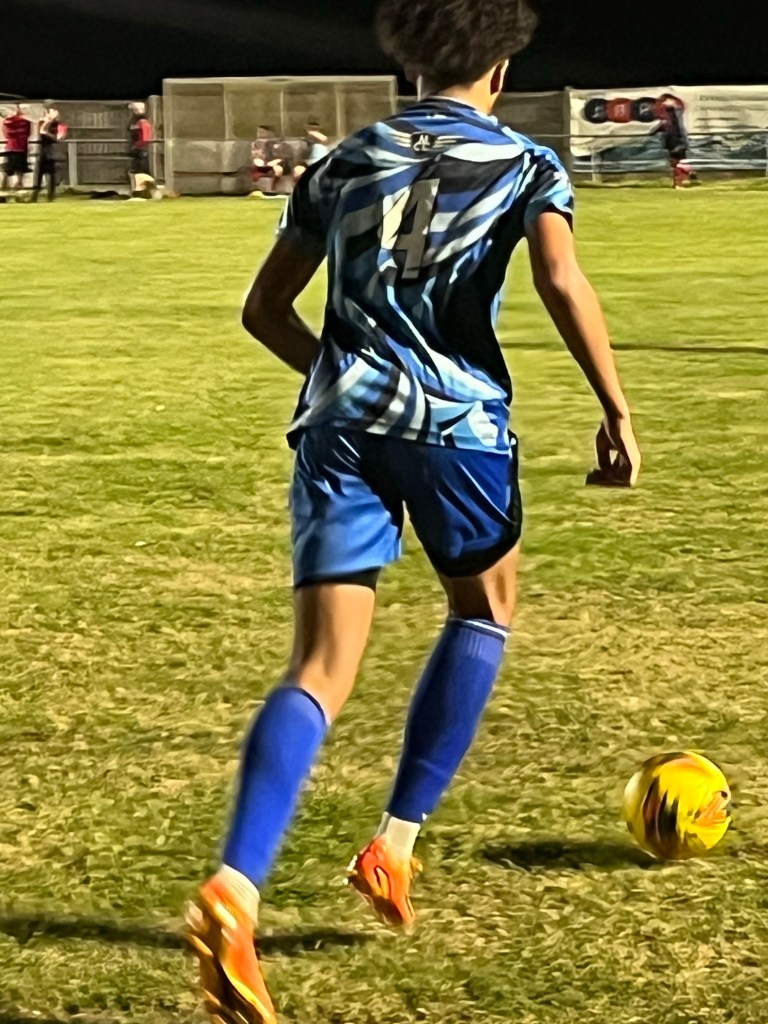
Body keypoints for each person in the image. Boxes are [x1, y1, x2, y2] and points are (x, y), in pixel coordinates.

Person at [186, 0, 641, 1021]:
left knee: (318, 667)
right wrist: (615, 411)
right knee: (484, 608)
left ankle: (236, 887)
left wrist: (342, 378)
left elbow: (264, 310)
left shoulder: (341, 161)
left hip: (340, 428)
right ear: (503, 64)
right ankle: (393, 845)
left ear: (411, 62)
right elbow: (561, 279)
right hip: (455, 426)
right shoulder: (525, 163)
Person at [655, 94, 696, 188]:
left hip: (674, 139)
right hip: (675, 139)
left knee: (676, 162)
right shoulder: (671, 113)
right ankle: (682, 178)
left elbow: (681, 105)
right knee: (679, 162)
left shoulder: (671, 113)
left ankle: (680, 180)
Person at [31, 104, 67, 202]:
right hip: (42, 152)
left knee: (52, 176)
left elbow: (58, 138)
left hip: (52, 153)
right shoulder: (42, 122)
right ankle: (34, 196)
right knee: (38, 175)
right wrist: (48, 121)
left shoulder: (60, 125)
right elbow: (41, 131)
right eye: (52, 111)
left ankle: (51, 197)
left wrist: (48, 133)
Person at [251, 125, 294, 195]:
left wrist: (275, 162)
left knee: (278, 169)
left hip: (282, 165)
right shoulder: (265, 144)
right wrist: (261, 161)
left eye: (262, 131)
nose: (259, 133)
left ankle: (274, 188)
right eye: (258, 132)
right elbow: (264, 157)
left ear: (270, 133)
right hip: (267, 164)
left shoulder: (284, 145)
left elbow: (285, 158)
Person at [127, 101, 156, 196]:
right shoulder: (135, 122)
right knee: (135, 170)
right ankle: (138, 190)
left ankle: (142, 191)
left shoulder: (143, 122)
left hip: (141, 150)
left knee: (140, 170)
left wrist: (138, 146)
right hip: (137, 149)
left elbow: (145, 138)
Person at [2, 104, 32, 192]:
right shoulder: (26, 122)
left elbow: (7, 135)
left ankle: (5, 187)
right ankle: (18, 185)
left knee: (8, 170)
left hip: (11, 147)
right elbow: (28, 134)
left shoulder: (8, 121)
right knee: (19, 169)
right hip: (20, 147)